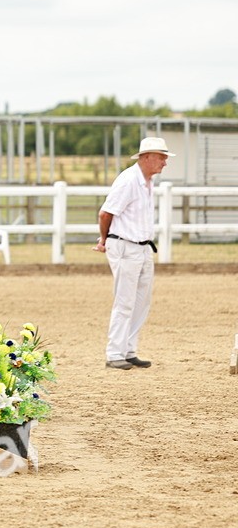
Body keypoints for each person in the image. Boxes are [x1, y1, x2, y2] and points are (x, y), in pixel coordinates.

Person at [94, 137, 172, 370]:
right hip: (126, 246)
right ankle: (114, 353)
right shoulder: (128, 180)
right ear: (146, 157)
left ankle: (128, 350)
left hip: (142, 246)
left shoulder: (147, 182)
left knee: (141, 301)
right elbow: (105, 213)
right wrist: (104, 240)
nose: (165, 162)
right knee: (125, 300)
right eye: (161, 157)